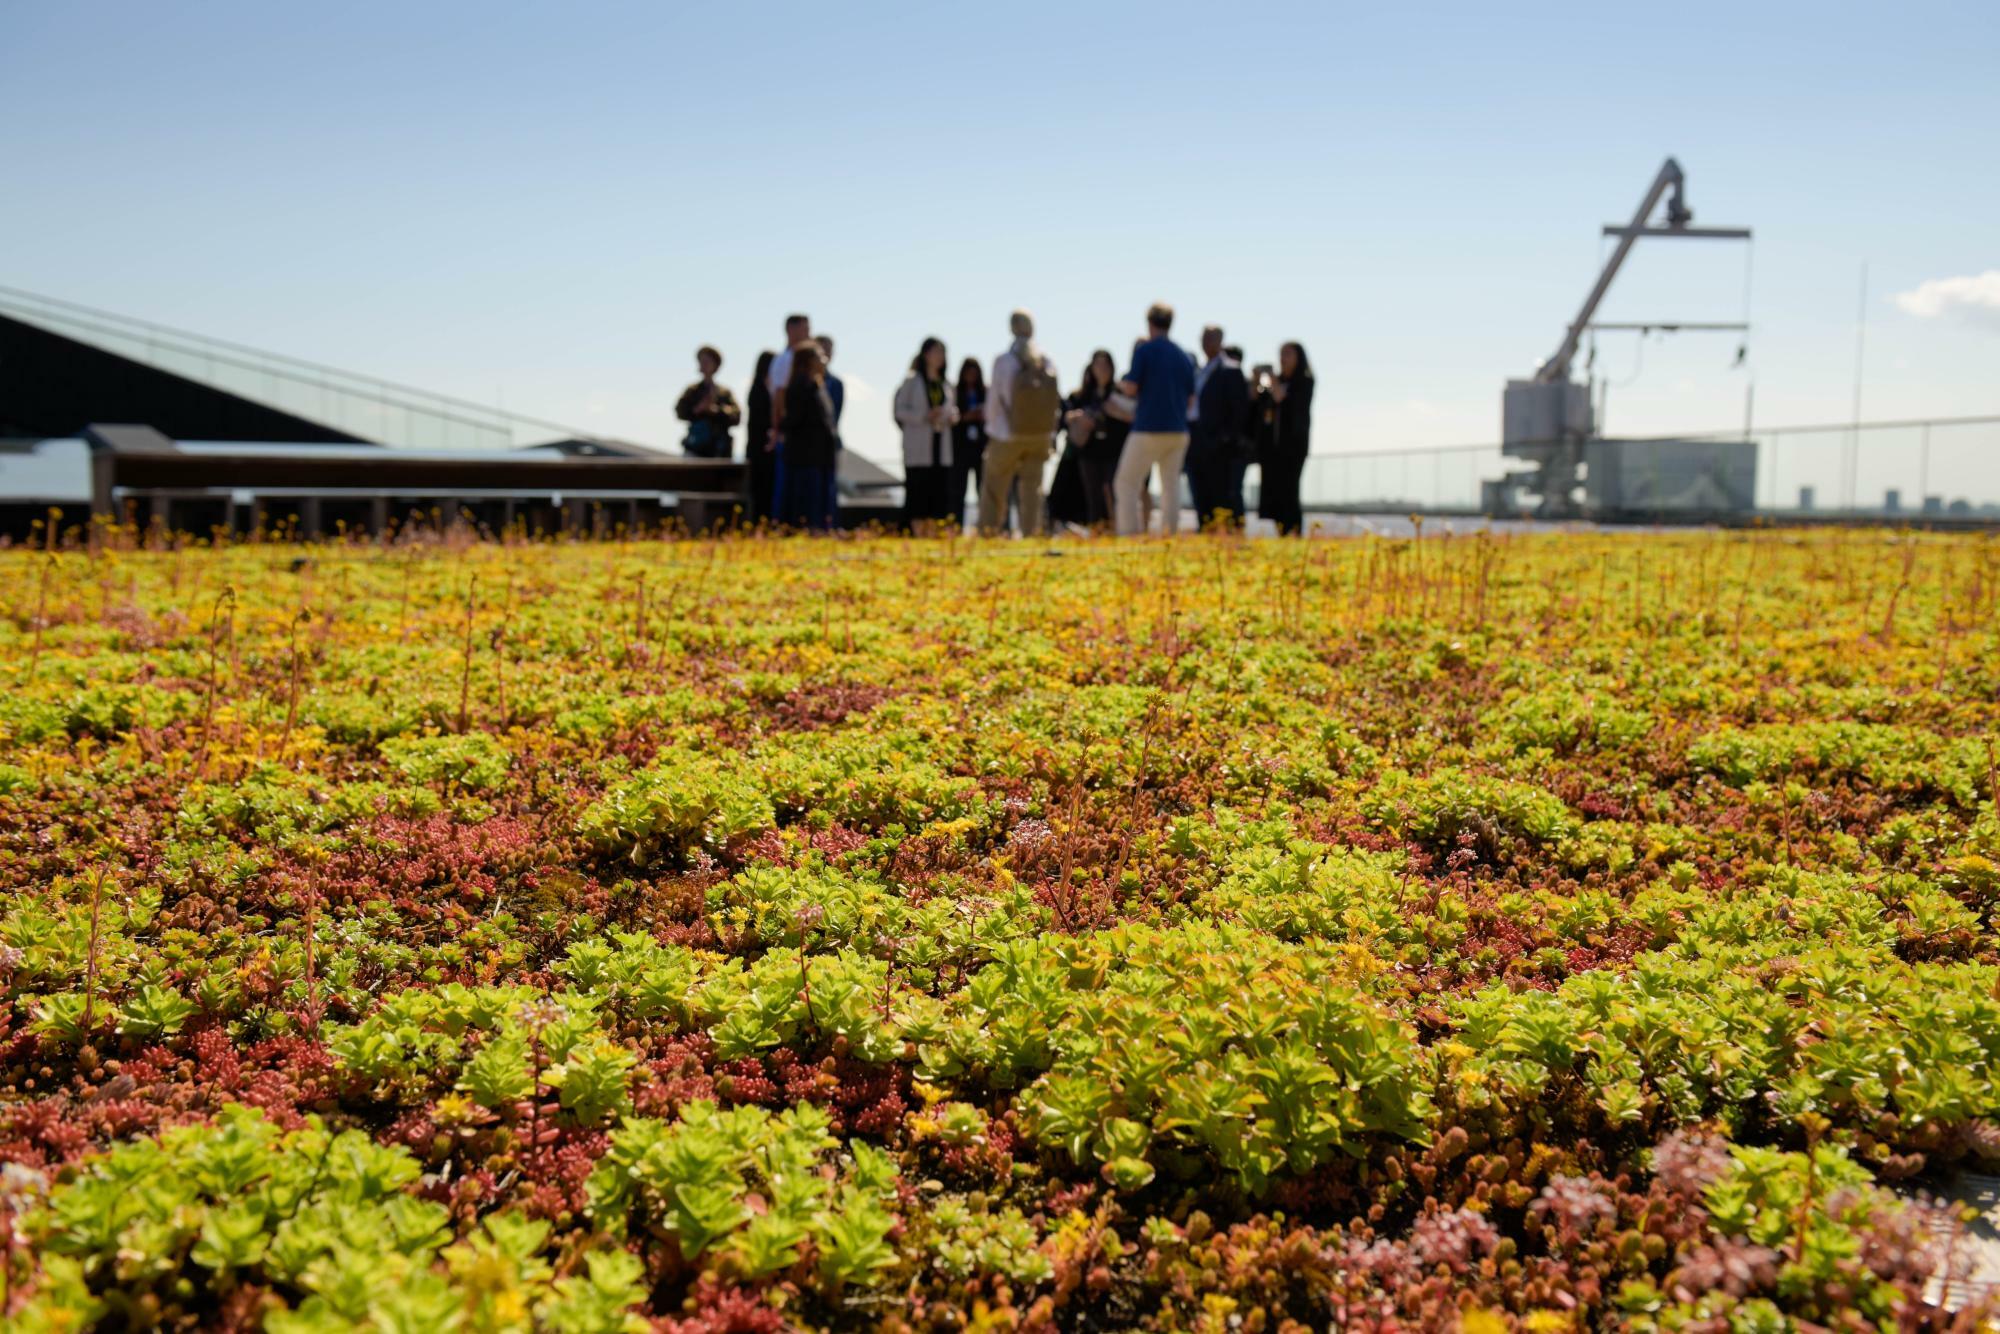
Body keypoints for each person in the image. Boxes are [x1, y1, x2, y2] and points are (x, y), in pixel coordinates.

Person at [1113, 302, 1195, 536]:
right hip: (1178, 430)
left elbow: (1130, 388)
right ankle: (1169, 536)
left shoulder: (1145, 351)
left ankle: (1128, 535)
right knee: (1171, 487)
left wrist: (1123, 386)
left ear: (1149, 323)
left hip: (1148, 428)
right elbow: (1191, 400)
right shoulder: (1183, 356)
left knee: (1126, 483)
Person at [981, 310, 1061, 537]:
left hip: (1006, 435)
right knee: (1032, 489)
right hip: (1040, 436)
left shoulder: (1004, 361)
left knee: (993, 487)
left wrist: (992, 429)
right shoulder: (1046, 361)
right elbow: (1053, 402)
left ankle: (988, 533)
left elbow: (995, 403)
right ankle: (1030, 533)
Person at [1186, 325, 1250, 528]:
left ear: (1221, 340)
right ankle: (1205, 532)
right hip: (1195, 439)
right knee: (1200, 492)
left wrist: (1224, 437)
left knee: (1222, 494)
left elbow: (1239, 410)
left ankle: (1230, 538)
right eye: (1204, 338)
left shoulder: (1230, 369)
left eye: (1212, 338)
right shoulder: (1199, 371)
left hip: (1218, 444)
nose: (1207, 342)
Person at [894, 337, 960, 532]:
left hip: (940, 444)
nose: (940, 357)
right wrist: (924, 416)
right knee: (918, 492)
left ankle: (932, 533)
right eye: (936, 352)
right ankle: (917, 532)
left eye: (943, 353)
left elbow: (953, 409)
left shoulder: (946, 384)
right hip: (919, 446)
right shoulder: (911, 381)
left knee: (938, 492)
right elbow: (899, 411)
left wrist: (950, 416)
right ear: (925, 355)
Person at [1064, 350, 1130, 528]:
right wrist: (1078, 417)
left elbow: (1132, 417)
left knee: (1114, 491)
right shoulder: (1083, 394)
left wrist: (1116, 412)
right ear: (1091, 368)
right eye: (1098, 365)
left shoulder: (1120, 392)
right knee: (1093, 494)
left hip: (1114, 449)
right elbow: (1066, 414)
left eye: (1105, 365)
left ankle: (1116, 528)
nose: (1102, 369)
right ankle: (1096, 531)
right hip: (1089, 450)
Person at [780, 343, 838, 532]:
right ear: (809, 362)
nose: (824, 361)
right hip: (805, 455)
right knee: (805, 498)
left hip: (820, 454)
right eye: (819, 357)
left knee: (819, 496)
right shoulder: (800, 386)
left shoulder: (817, 386)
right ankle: (805, 529)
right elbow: (794, 420)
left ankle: (820, 528)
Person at [1259, 341, 1316, 536]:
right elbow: (1266, 405)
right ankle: (1281, 530)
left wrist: (1272, 380)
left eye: (1288, 354)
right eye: (1281, 354)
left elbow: (1283, 399)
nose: (1282, 359)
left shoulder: (1304, 381)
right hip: (1274, 447)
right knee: (1275, 490)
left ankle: (1294, 531)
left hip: (1294, 446)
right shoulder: (1277, 382)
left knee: (1290, 489)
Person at [767, 314, 813, 518]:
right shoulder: (784, 360)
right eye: (803, 330)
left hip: (801, 431)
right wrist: (779, 429)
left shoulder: (801, 359)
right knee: (786, 483)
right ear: (790, 331)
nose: (808, 334)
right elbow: (778, 398)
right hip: (789, 432)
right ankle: (782, 522)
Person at [674, 346, 742, 460]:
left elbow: (736, 416)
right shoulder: (692, 391)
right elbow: (679, 411)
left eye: (707, 361)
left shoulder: (724, 393)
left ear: (715, 365)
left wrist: (715, 410)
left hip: (719, 450)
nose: (703, 364)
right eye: (701, 361)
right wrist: (697, 409)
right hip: (696, 448)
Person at [952, 359, 988, 527]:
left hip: (980, 447)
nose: (971, 377)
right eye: (968, 373)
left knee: (983, 489)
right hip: (961, 447)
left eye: (974, 373)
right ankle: (957, 525)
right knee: (958, 489)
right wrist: (965, 417)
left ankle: (984, 525)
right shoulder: (955, 392)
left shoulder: (985, 393)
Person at [743, 350, 778, 523]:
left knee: (768, 488)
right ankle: (759, 522)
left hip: (763, 449)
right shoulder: (759, 389)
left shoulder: (766, 388)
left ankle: (765, 521)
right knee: (760, 489)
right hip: (760, 449)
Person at [815, 333, 845, 522]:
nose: (827, 354)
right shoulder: (805, 382)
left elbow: (836, 415)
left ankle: (830, 522)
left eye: (830, 350)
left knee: (830, 484)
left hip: (831, 442)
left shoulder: (836, 383)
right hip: (810, 444)